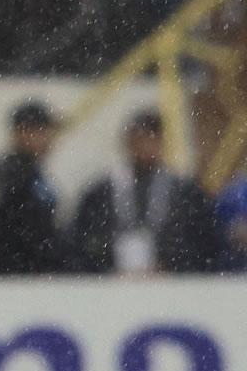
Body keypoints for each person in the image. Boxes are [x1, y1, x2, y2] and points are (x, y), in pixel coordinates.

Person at [72, 109, 223, 274]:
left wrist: (171, 266)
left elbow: (203, 243)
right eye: (138, 141)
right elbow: (83, 240)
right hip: (111, 282)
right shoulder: (101, 191)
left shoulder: (186, 192)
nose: (144, 148)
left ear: (163, 143)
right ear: (127, 143)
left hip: (173, 284)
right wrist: (106, 267)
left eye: (151, 140)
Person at [0, 99, 67, 275]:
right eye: (41, 131)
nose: (48, 138)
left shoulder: (38, 175)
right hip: (8, 281)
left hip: (36, 279)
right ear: (21, 132)